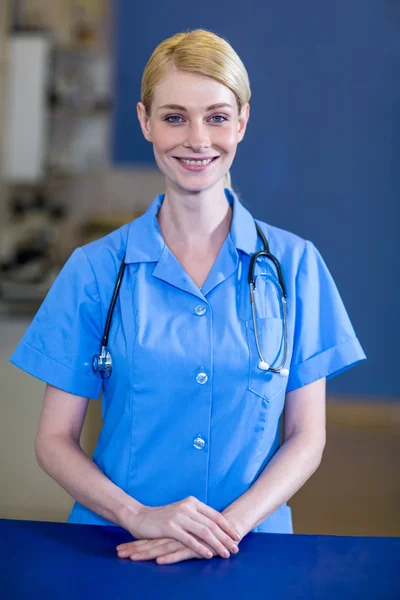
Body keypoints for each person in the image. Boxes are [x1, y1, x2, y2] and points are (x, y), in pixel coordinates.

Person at [10, 29, 366, 565]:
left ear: (242, 122)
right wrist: (138, 515)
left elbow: (305, 437)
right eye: (175, 117)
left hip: (248, 551)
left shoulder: (296, 268)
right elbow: (55, 440)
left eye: (217, 116)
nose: (197, 139)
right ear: (145, 122)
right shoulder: (96, 271)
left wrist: (228, 529)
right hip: (116, 546)